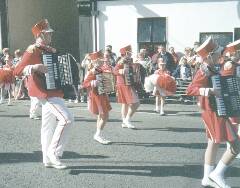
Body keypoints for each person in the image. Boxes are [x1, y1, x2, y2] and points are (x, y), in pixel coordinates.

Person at [13, 19, 74, 169]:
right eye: (48, 33)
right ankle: (54, 153)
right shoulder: (32, 50)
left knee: (47, 125)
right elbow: (17, 71)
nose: (51, 35)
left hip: (53, 90)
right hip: (44, 91)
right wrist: (34, 67)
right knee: (67, 119)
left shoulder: (49, 50)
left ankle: (46, 158)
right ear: (40, 34)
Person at [186, 37, 240, 188]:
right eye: (217, 54)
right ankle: (217, 174)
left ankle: (206, 178)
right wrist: (210, 90)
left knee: (213, 143)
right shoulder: (203, 71)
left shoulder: (212, 68)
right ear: (209, 55)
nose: (220, 56)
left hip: (213, 109)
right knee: (236, 146)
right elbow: (190, 90)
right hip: (213, 111)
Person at [81, 51, 113, 144]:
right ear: (95, 62)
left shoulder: (100, 70)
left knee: (101, 115)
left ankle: (99, 134)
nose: (103, 61)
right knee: (105, 116)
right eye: (100, 60)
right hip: (97, 96)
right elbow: (84, 84)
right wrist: (92, 83)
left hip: (102, 94)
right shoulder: (92, 71)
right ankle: (98, 135)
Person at [113, 45, 140, 129]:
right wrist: (120, 71)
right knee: (136, 103)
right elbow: (114, 71)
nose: (131, 54)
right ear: (125, 53)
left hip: (126, 84)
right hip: (124, 84)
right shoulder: (121, 61)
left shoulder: (129, 60)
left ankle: (124, 121)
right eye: (129, 53)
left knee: (125, 104)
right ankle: (127, 120)